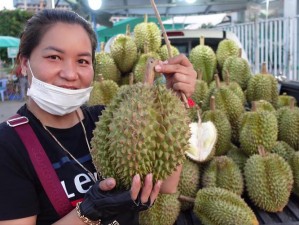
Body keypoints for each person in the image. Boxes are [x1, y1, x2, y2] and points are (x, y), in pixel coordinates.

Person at [0, 9, 196, 225]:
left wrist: (174, 102)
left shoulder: (109, 119)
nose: (70, 74)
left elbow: (165, 185)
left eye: (82, 61)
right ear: (24, 63)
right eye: (54, 57)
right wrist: (89, 212)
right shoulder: (8, 145)